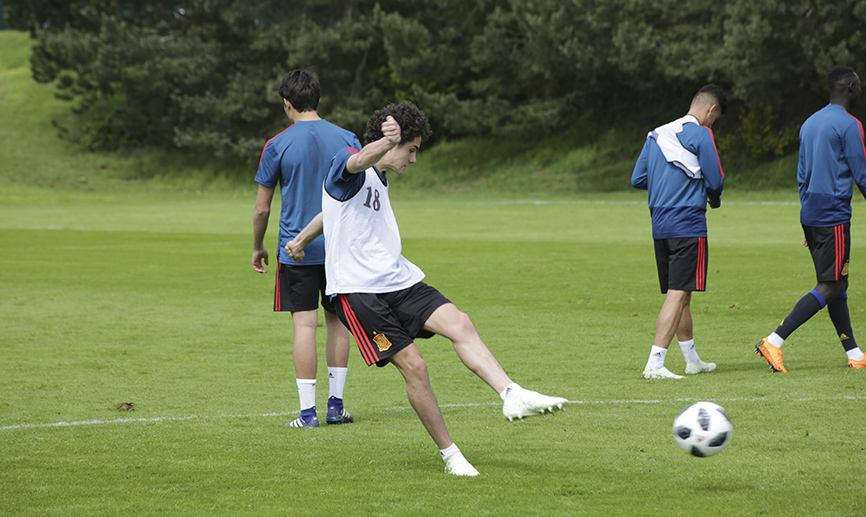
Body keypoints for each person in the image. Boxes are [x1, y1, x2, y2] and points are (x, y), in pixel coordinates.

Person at [285, 101, 568, 476]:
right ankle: (451, 456)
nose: (414, 159)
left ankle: (511, 394)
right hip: (360, 292)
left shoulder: (376, 181)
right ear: (390, 143)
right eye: (411, 149)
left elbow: (330, 211)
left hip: (398, 279)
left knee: (460, 323)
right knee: (415, 367)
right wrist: (385, 143)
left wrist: (301, 239)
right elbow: (356, 163)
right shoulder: (349, 162)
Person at [252, 70, 359, 427]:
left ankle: (307, 413)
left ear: (287, 103)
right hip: (340, 249)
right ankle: (336, 406)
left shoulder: (277, 143)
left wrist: (257, 246)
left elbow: (263, 208)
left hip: (295, 249)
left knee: (304, 327)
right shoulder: (348, 139)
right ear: (317, 98)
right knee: (338, 324)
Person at [755, 66, 866, 372]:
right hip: (833, 214)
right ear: (852, 88)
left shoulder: (809, 123)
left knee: (837, 285)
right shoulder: (850, 124)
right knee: (830, 286)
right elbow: (862, 173)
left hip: (813, 212)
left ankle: (855, 354)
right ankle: (774, 341)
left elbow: (801, 176)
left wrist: (809, 219)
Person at [631, 84, 727, 380]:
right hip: (687, 224)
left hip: (659, 225)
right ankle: (655, 363)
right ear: (711, 110)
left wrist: (667, 183)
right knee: (678, 294)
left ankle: (692, 360)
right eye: (716, 117)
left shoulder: (657, 133)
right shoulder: (701, 134)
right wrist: (713, 199)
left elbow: (638, 178)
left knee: (681, 293)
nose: (713, 123)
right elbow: (716, 179)